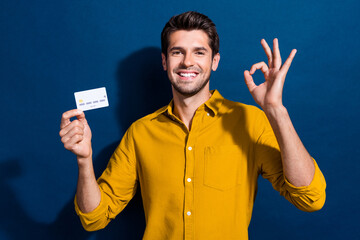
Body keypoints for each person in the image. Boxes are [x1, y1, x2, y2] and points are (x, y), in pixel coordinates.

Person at [59, 11, 326, 240]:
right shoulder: (140, 133)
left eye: (199, 52)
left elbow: (310, 198)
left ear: (214, 61)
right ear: (165, 62)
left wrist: (275, 110)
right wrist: (85, 160)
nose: (188, 62)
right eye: (177, 52)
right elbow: (94, 218)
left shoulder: (249, 121)